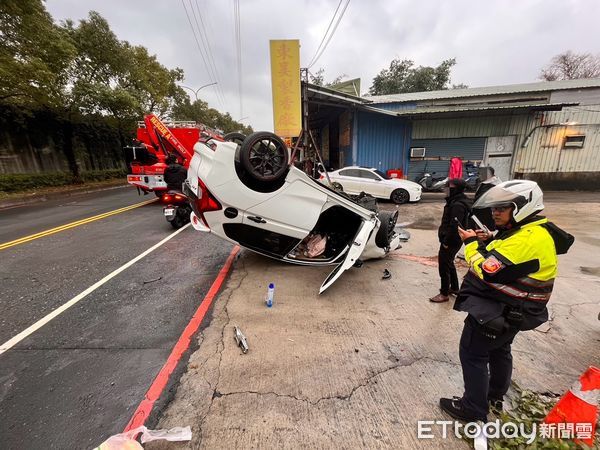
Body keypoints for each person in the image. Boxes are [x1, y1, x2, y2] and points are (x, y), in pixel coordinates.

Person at [439, 180, 573, 422]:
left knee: (472, 354)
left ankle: (473, 409)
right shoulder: (533, 230)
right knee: (500, 350)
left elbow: (488, 269)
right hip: (517, 310)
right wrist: (490, 237)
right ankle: (494, 396)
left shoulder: (527, 239)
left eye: (502, 208)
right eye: (493, 208)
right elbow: (511, 249)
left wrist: (470, 244)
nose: (494, 213)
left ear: (522, 206)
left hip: (499, 309)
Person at [430, 178, 472, 303]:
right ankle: (454, 288)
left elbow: (454, 226)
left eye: (448, 187)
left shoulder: (457, 205)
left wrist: (446, 242)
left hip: (451, 240)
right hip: (454, 239)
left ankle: (444, 294)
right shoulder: (457, 200)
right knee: (449, 263)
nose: (445, 189)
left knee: (444, 266)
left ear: (455, 189)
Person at [469, 167, 501, 231]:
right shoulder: (486, 183)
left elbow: (480, 201)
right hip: (482, 216)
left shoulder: (492, 186)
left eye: (481, 174)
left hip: (486, 217)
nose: (479, 176)